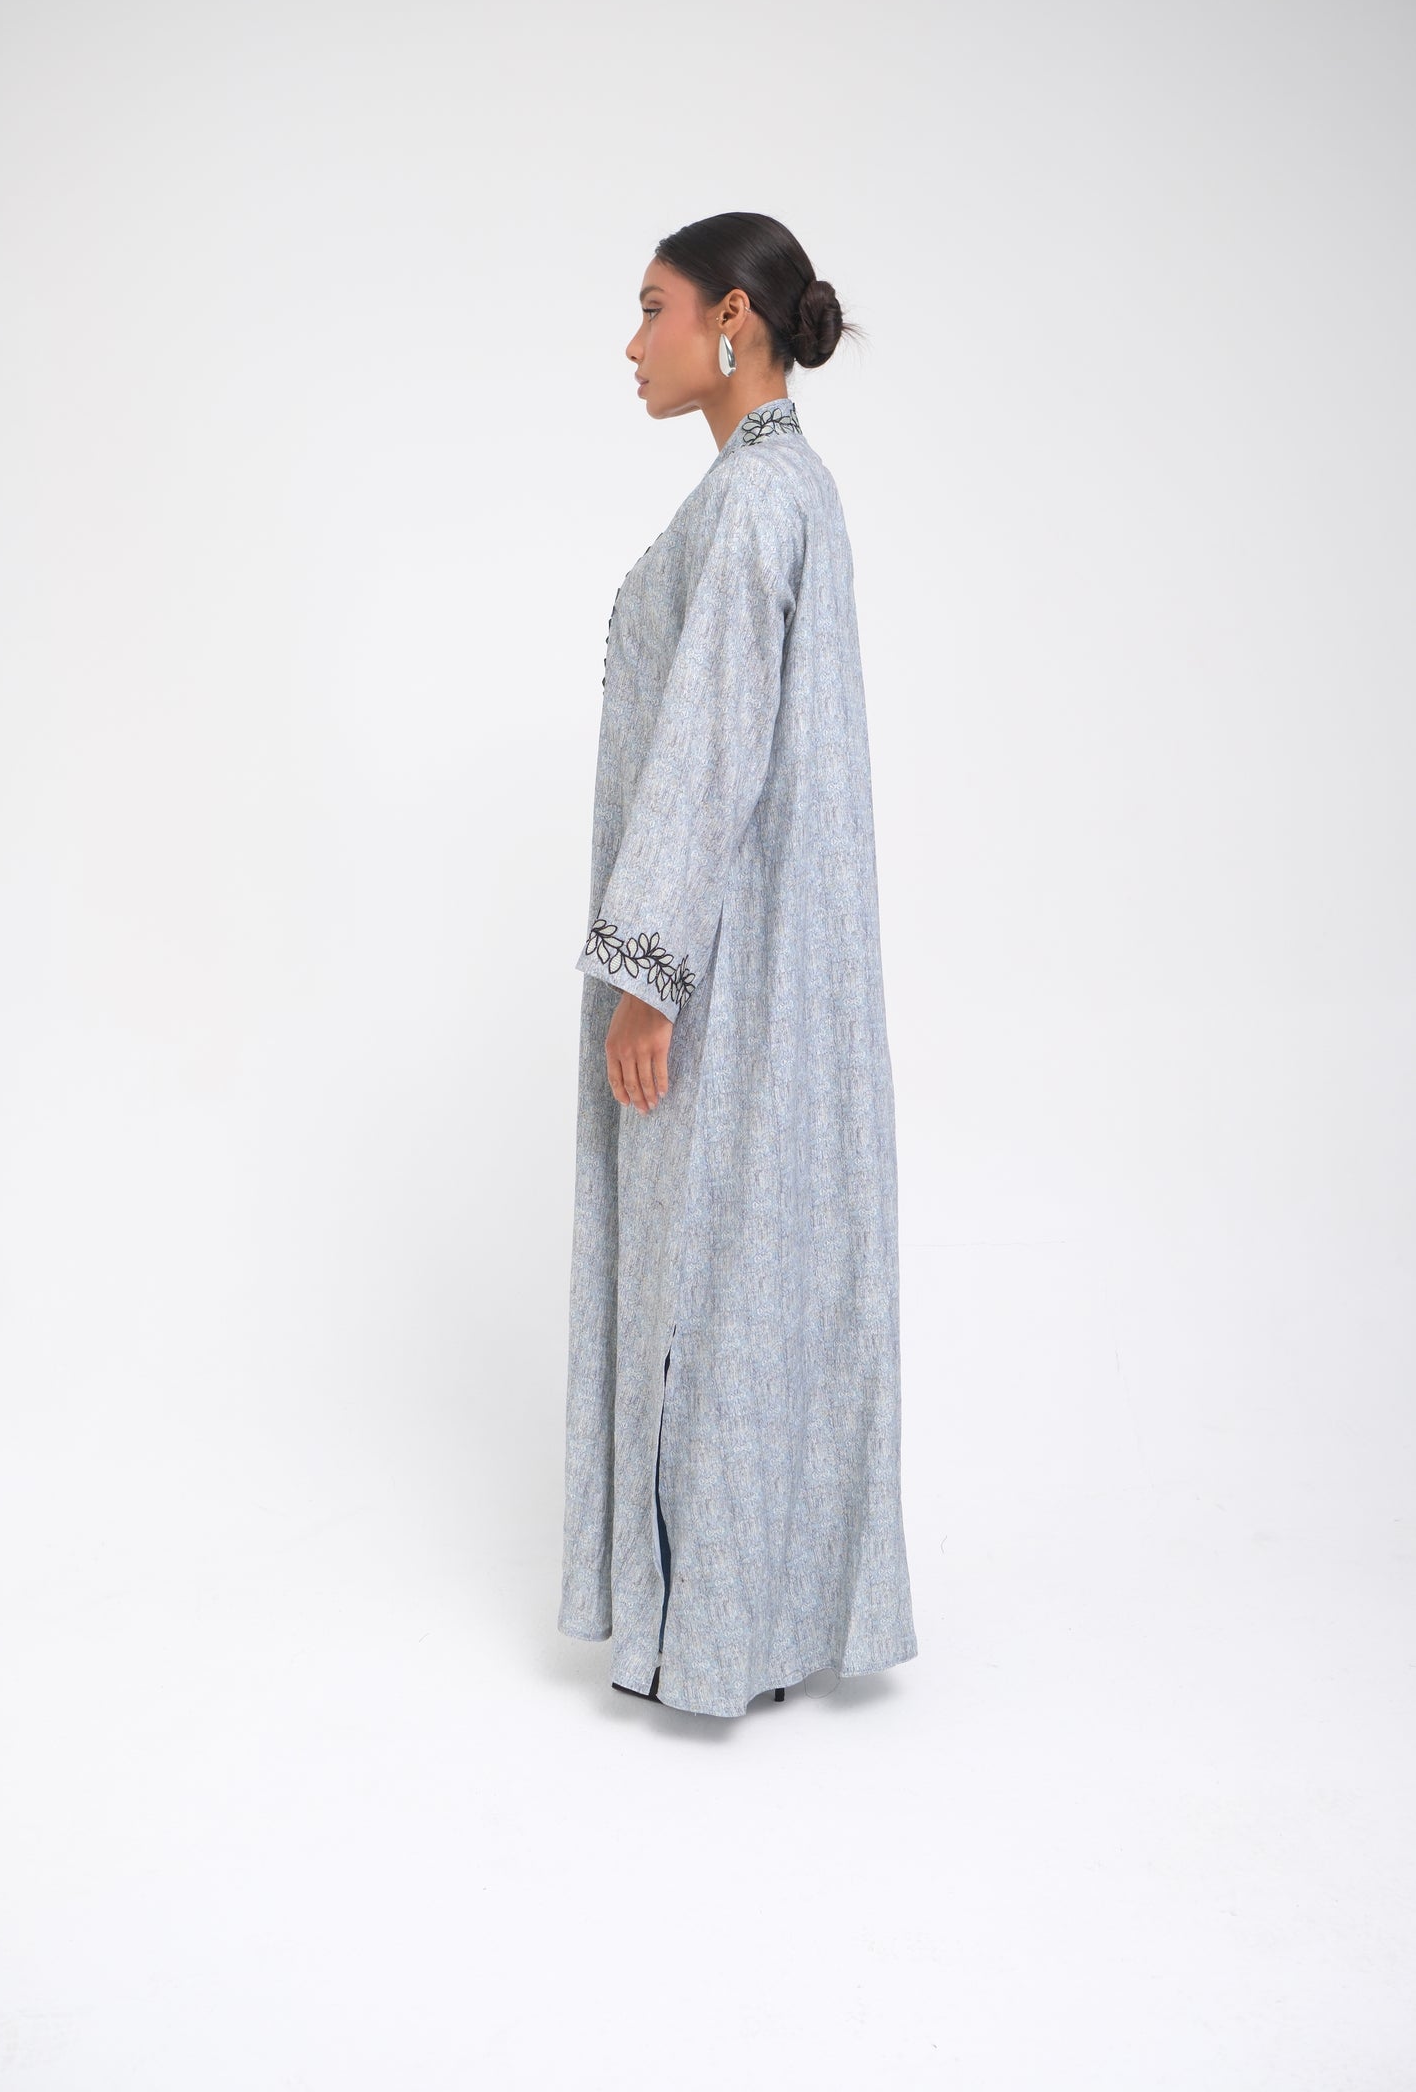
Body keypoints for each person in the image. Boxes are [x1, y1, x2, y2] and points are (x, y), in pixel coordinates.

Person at [559, 210, 917, 1718]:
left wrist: (647, 980)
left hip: (723, 975)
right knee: (764, 1269)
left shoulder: (758, 501)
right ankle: (757, 1620)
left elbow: (711, 750)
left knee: (709, 1277)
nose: (630, 343)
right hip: (775, 963)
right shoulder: (781, 490)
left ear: (733, 322)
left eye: (653, 308)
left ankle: (710, 1632)